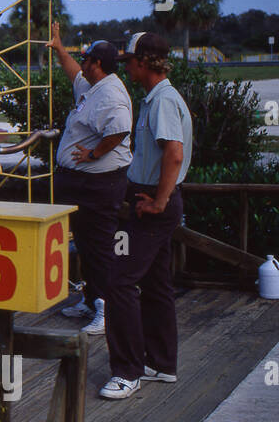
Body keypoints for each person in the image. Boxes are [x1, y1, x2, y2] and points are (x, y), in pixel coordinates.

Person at [100, 32, 193, 400]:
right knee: (155, 285)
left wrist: (159, 201)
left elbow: (173, 154)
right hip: (152, 199)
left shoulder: (163, 101)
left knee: (119, 282)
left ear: (144, 62)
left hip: (154, 203)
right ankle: (161, 363)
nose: (128, 70)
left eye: (130, 63)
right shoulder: (157, 99)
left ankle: (127, 371)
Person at [47, 22, 133, 335]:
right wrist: (59, 49)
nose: (81, 62)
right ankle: (91, 298)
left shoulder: (111, 95)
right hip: (80, 183)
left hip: (99, 185)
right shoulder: (94, 86)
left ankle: (107, 308)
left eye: (86, 59)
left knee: (99, 247)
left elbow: (120, 129)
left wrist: (94, 154)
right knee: (84, 243)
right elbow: (75, 75)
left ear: (97, 64)